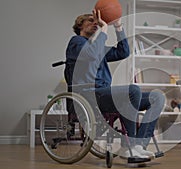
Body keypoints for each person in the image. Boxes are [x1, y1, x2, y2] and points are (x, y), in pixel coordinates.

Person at [64, 10, 165, 159]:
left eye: (96, 22)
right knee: (133, 90)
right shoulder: (76, 42)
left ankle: (138, 146)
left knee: (157, 97)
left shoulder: (98, 48)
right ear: (80, 25)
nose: (96, 23)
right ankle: (128, 146)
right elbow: (91, 54)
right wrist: (103, 29)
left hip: (103, 94)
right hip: (88, 94)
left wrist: (118, 27)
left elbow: (123, 52)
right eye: (91, 20)